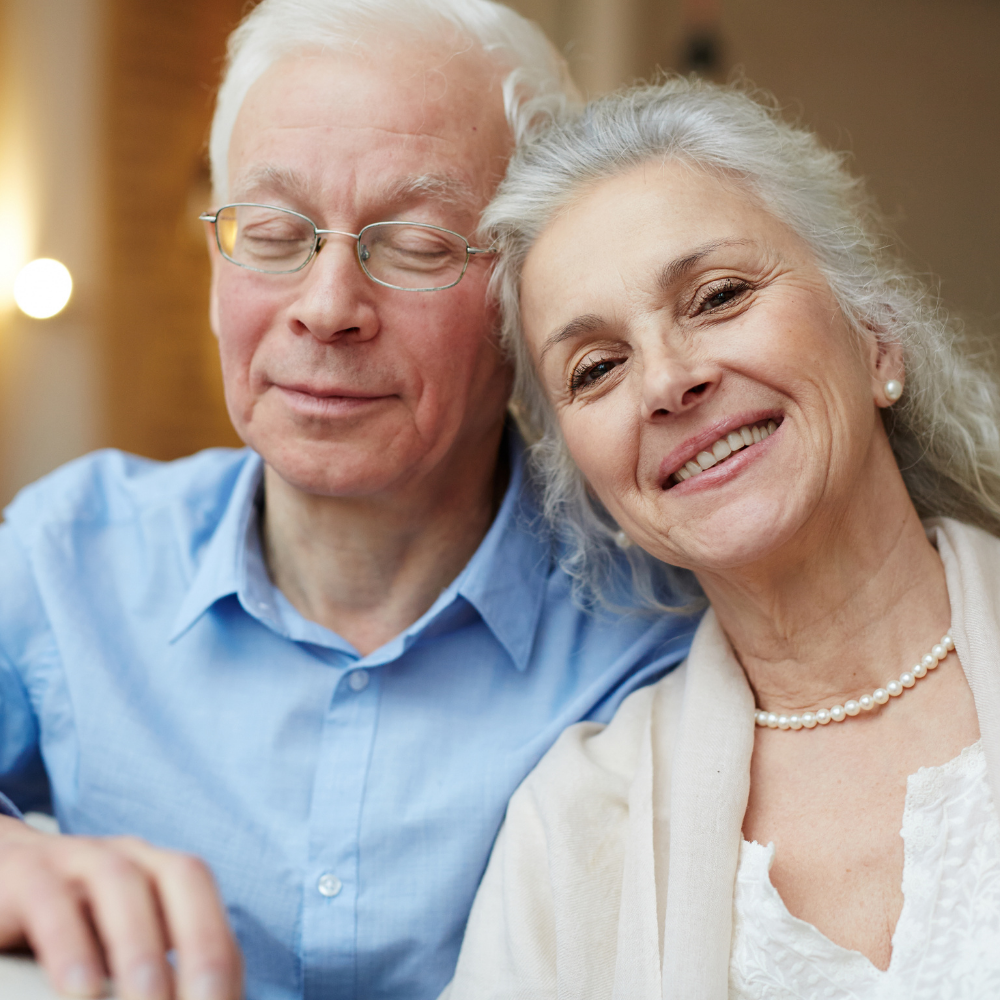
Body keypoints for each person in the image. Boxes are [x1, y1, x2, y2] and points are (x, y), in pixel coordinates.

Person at [0, 7, 699, 1000]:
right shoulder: (70, 553)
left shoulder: (660, 622)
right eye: (275, 234)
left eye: (414, 245)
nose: (326, 307)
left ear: (532, 290)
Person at [442, 78, 1000, 998]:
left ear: (877, 336)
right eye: (597, 368)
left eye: (718, 295)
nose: (666, 380)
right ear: (592, 486)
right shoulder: (570, 827)